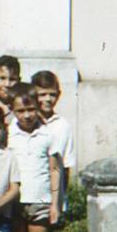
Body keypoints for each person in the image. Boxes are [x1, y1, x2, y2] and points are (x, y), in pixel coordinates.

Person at [6, 83, 60, 232]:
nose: (26, 115)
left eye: (30, 109)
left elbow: (55, 169)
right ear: (13, 111)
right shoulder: (9, 134)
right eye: (20, 111)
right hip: (15, 202)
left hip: (39, 201)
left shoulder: (48, 134)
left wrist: (55, 203)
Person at [32, 70, 75, 211]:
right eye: (42, 94)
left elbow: (66, 166)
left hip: (51, 197)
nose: (48, 99)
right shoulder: (26, 122)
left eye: (52, 94)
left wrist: (60, 199)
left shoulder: (62, 125)